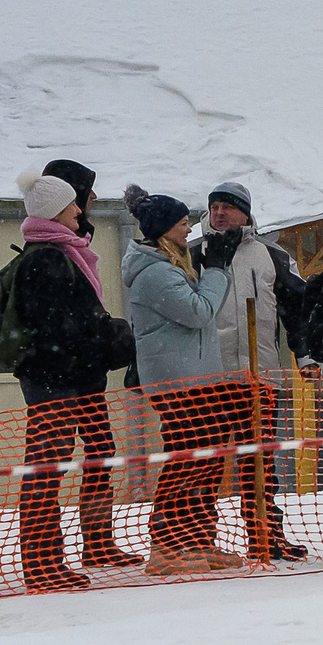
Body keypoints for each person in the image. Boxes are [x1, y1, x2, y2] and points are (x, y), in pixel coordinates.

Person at [9, 166, 138, 591]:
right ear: (56, 209)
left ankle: (95, 542)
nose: (82, 210)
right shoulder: (46, 257)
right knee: (48, 464)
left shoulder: (68, 248)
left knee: (97, 450)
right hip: (55, 379)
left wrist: (98, 339)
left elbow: (76, 322)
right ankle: (42, 562)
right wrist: (107, 336)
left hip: (77, 375)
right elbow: (61, 328)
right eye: (74, 204)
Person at [121, 186, 242, 575]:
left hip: (196, 377)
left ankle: (198, 540)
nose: (189, 231)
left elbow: (204, 307)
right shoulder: (154, 272)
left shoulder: (172, 264)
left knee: (204, 459)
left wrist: (210, 272)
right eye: (184, 225)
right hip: (176, 382)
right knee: (186, 460)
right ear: (164, 230)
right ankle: (167, 545)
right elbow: (199, 311)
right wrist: (219, 270)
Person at [202, 179, 305, 559]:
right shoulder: (195, 252)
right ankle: (201, 540)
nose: (219, 213)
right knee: (207, 464)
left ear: (245, 211)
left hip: (261, 376)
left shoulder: (271, 255)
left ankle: (265, 536)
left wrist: (305, 355)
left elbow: (296, 309)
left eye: (227, 207)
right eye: (214, 207)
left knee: (258, 462)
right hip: (210, 378)